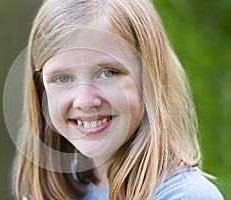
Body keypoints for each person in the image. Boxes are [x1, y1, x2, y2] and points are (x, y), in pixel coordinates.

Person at [12, 0, 224, 199]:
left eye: (108, 73)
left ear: (149, 77)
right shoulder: (44, 194)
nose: (84, 101)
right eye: (62, 78)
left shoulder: (186, 195)